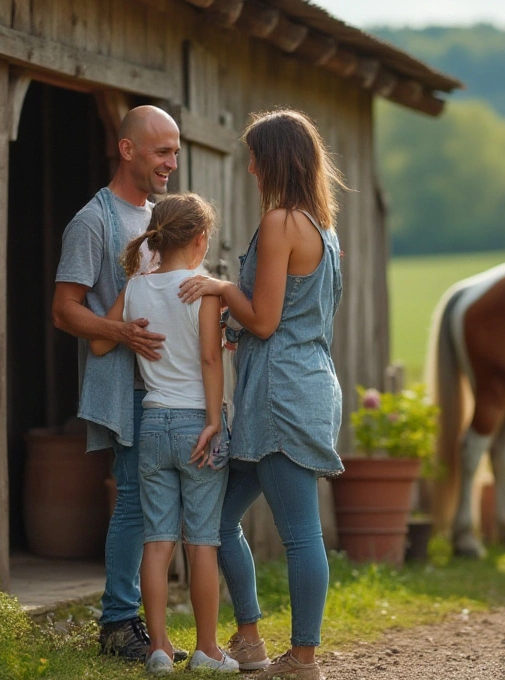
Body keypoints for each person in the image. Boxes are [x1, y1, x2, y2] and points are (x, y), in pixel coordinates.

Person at [178, 109, 347, 680]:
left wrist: (224, 287)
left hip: (281, 393)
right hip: (301, 382)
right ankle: (248, 639)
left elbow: (268, 321)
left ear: (273, 158)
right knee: (218, 518)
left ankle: (302, 659)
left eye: (253, 155)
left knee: (299, 533)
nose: (248, 167)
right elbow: (284, 317)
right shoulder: (324, 229)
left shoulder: (281, 222)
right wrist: (237, 321)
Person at [91, 193, 238, 675]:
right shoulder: (203, 289)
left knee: (156, 542)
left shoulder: (136, 287)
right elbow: (211, 360)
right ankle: (208, 650)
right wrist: (215, 419)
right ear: (199, 241)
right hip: (198, 424)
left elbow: (97, 341)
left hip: (150, 423)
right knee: (202, 542)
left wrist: (130, 330)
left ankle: (157, 648)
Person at [52, 105, 179, 660]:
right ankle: (118, 623)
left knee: (155, 502)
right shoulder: (93, 220)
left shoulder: (159, 217)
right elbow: (64, 310)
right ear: (127, 150)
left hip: (167, 384)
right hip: (125, 387)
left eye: (175, 151)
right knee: (134, 500)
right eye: (161, 151)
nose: (171, 162)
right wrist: (120, 332)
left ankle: (145, 624)